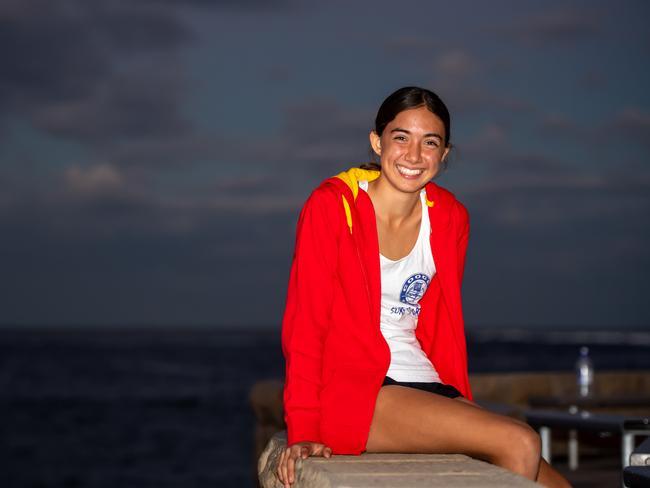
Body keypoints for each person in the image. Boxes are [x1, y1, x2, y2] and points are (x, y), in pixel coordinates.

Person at [277, 86, 571, 488]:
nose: (414, 156)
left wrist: (459, 401)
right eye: (401, 137)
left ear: (444, 153)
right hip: (359, 389)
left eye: (429, 142)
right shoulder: (333, 206)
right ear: (377, 141)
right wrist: (304, 429)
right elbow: (306, 325)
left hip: (426, 385)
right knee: (519, 441)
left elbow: (437, 325)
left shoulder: (450, 218)